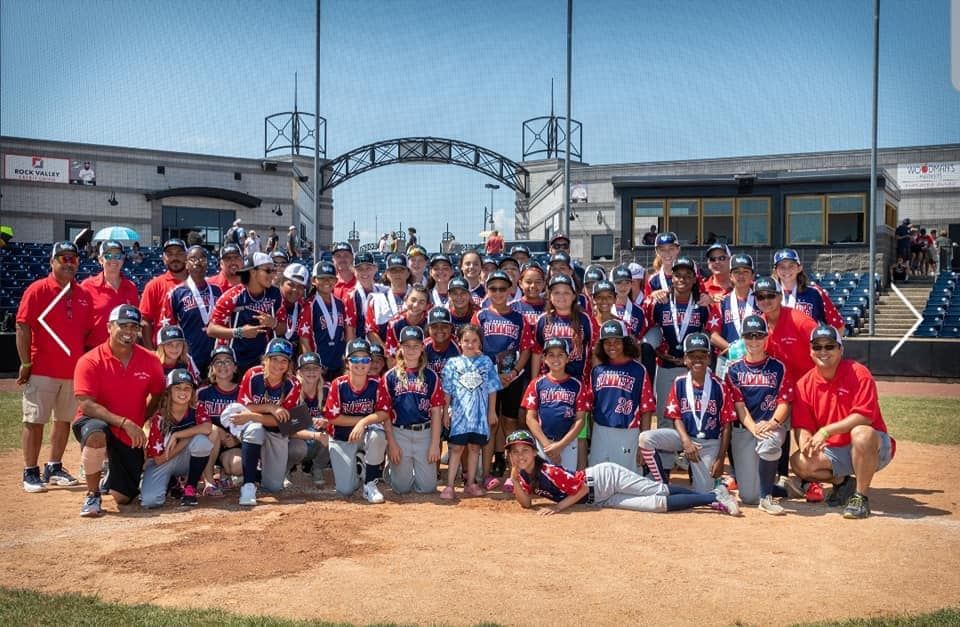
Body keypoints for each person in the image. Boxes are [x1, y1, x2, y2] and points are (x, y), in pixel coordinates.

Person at [789, 325, 895, 519]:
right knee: (799, 462)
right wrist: (805, 443)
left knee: (861, 433)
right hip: (837, 451)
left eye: (829, 346)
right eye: (817, 347)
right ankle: (843, 482)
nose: (823, 351)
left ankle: (860, 498)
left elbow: (864, 416)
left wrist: (826, 431)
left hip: (874, 447)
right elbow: (802, 425)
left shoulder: (858, 372)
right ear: (810, 350)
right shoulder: (804, 384)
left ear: (840, 349)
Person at [506, 430, 739, 516]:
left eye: (524, 451)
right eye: (514, 453)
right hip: (599, 499)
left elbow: (581, 488)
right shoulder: (524, 475)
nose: (520, 456)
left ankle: (714, 495)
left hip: (603, 479)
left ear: (534, 453)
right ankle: (713, 497)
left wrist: (557, 508)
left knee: (657, 489)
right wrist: (515, 477)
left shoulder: (547, 470)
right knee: (655, 505)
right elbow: (526, 503)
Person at [72, 305, 166, 517]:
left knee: (123, 497)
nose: (129, 332)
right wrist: (125, 422)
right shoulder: (90, 360)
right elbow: (86, 405)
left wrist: (141, 419)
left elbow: (158, 394)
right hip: (94, 421)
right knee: (96, 435)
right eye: (123, 326)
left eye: (134, 327)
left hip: (128, 433)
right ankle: (92, 495)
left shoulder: (150, 360)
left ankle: (109, 474)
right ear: (109, 327)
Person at [17, 241, 92, 493]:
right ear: (52, 262)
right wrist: (26, 362)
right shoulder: (38, 289)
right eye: (63, 259)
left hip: (71, 372)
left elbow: (86, 334)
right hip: (42, 369)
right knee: (35, 420)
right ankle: (30, 471)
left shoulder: (82, 295)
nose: (69, 263)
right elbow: (22, 326)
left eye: (73, 259)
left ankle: (54, 466)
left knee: (63, 421)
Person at [638, 332, 736, 493]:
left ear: (709, 359)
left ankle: (716, 483)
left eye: (702, 356)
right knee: (646, 438)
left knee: (703, 493)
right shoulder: (679, 382)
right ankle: (660, 479)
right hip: (684, 438)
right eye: (692, 356)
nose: (697, 360)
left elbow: (727, 425)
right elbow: (676, 416)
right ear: (685, 359)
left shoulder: (720, 385)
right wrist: (686, 442)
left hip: (708, 443)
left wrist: (720, 459)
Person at [220, 338, 304, 506]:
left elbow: (283, 422)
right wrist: (271, 408)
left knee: (273, 486)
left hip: (275, 430)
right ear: (265, 359)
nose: (278, 365)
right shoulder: (253, 374)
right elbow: (244, 407)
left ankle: (257, 470)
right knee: (255, 429)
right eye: (274, 359)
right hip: (251, 426)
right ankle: (248, 485)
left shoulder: (293, 384)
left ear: (289, 364)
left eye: (283, 361)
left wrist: (253, 415)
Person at [644, 256, 711, 465]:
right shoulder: (659, 303)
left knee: (694, 413)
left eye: (687, 276)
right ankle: (665, 462)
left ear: (694, 280)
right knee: (665, 415)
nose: (681, 279)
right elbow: (647, 330)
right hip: (667, 366)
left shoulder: (702, 306)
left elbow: (709, 332)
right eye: (677, 275)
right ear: (671, 278)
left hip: (693, 370)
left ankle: (691, 459)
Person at [723, 315, 793, 513]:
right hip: (745, 429)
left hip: (770, 425)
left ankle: (767, 497)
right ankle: (771, 489)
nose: (754, 341)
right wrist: (753, 427)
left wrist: (772, 423)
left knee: (770, 443)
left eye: (758, 336)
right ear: (743, 338)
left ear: (766, 337)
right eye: (749, 335)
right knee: (748, 496)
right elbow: (739, 405)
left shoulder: (778, 367)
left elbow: (784, 402)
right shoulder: (733, 369)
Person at [472, 270, 530, 489]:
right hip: (487, 379)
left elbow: (525, 349)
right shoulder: (480, 316)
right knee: (490, 424)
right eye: (493, 288)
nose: (498, 293)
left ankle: (514, 474)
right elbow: (473, 346)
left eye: (502, 288)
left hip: (511, 379)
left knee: (510, 423)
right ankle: (486, 474)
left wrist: (513, 372)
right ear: (487, 290)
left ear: (510, 291)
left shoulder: (519, 318)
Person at [322, 338, 390, 501]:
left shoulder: (377, 383)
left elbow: (384, 413)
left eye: (365, 359)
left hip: (365, 434)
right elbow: (332, 418)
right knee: (346, 490)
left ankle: (370, 484)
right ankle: (359, 462)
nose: (361, 364)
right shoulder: (338, 384)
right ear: (347, 362)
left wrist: (363, 423)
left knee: (378, 436)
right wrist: (361, 420)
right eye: (355, 359)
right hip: (341, 437)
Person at [440, 324, 501, 499]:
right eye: (466, 340)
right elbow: (447, 391)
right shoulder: (453, 363)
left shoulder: (486, 362)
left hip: (480, 415)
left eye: (475, 341)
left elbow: (492, 388)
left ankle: (470, 483)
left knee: (475, 448)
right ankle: (450, 485)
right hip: (460, 415)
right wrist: (445, 413)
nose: (470, 344)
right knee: (457, 448)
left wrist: (491, 412)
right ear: (459, 342)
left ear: (480, 342)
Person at [382, 326, 444, 495]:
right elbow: (385, 414)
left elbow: (437, 412)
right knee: (401, 489)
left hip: (424, 433)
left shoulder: (431, 376)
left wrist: (434, 445)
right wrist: (392, 444)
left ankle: (411, 469)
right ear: (400, 347)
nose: (411, 349)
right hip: (399, 433)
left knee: (428, 488)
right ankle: (392, 467)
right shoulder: (390, 376)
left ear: (422, 347)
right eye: (407, 345)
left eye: (416, 345)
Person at [589, 320, 656, 473]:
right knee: (598, 478)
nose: (612, 346)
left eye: (617, 341)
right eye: (607, 342)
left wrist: (643, 443)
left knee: (627, 479)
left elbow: (647, 409)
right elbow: (592, 406)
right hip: (600, 430)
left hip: (628, 432)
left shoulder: (639, 370)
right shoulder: (597, 370)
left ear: (626, 343)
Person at [141, 369, 214, 508]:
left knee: (202, 442)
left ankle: (190, 487)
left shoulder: (197, 407)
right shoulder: (159, 416)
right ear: (169, 391)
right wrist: (188, 438)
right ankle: (171, 481)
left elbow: (207, 428)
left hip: (184, 459)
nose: (183, 392)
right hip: (162, 462)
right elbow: (159, 459)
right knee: (150, 501)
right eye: (177, 388)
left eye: (187, 388)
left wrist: (178, 435)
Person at [207, 252, 287, 374]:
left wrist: (274, 323)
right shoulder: (233, 296)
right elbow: (211, 330)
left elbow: (283, 329)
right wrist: (240, 332)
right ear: (253, 272)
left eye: (274, 270)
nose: (273, 275)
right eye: (268, 271)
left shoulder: (275, 294)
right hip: (236, 362)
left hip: (264, 361)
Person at [521, 338, 589, 471]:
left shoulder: (577, 385)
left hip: (568, 443)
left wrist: (560, 446)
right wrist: (548, 446)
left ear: (568, 358)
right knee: (543, 484)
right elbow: (530, 418)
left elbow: (580, 420)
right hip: (543, 443)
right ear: (544, 359)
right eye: (551, 355)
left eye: (560, 354)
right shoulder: (536, 383)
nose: (555, 358)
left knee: (567, 483)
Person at [158, 245, 221, 375]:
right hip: (188, 358)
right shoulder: (175, 293)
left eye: (202, 258)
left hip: (215, 355)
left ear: (208, 263)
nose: (197, 262)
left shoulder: (217, 291)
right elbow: (167, 329)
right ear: (186, 264)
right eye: (193, 259)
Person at [524, 274, 594, 383]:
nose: (561, 297)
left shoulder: (585, 319)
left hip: (577, 380)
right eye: (556, 293)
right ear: (549, 296)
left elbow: (592, 352)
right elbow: (537, 352)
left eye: (566, 292)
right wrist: (534, 382)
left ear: (574, 296)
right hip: (549, 382)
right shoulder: (543, 319)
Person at [197, 345, 240, 496]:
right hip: (207, 443)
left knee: (238, 466)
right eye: (218, 362)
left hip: (232, 444)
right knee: (213, 431)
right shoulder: (202, 393)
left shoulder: (243, 391)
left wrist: (237, 439)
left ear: (235, 367)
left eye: (227, 361)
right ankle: (209, 481)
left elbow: (250, 422)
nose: (223, 365)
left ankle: (224, 475)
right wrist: (220, 432)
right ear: (212, 368)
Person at [706, 253, 756, 380]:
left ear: (752, 275)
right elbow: (713, 336)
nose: (741, 276)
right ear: (730, 276)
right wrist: (733, 349)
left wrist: (750, 349)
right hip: (727, 359)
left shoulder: (761, 301)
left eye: (745, 271)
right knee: (725, 398)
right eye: (737, 272)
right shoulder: (722, 302)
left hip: (756, 359)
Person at [81, 240, 139, 348]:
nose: (113, 260)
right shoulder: (87, 286)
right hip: (95, 351)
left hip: (124, 352)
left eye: (118, 256)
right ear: (100, 259)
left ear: (122, 259)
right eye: (108, 256)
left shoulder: (131, 287)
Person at [301, 260, 352, 380]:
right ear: (314, 281)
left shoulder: (340, 304)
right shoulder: (309, 305)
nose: (327, 282)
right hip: (319, 366)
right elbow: (304, 339)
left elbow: (347, 334)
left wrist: (346, 363)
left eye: (330, 278)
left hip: (339, 364)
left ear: (336, 280)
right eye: (322, 278)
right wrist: (312, 365)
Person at [771, 249, 844, 330]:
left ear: (799, 268)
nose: (786, 270)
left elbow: (838, 325)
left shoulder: (815, 293)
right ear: (775, 271)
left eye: (791, 266)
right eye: (782, 267)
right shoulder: (767, 296)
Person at [139, 238, 188, 350]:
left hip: (193, 351)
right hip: (163, 352)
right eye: (169, 254)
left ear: (186, 256)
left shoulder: (196, 283)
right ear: (164, 259)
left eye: (179, 253)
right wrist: (150, 352)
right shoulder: (154, 285)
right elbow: (145, 321)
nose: (174, 258)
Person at [366, 253, 410, 345]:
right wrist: (387, 354)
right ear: (387, 274)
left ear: (408, 273)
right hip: (386, 355)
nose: (397, 274)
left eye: (401, 270)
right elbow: (371, 332)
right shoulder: (377, 300)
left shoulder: (418, 297)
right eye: (393, 270)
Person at [383, 284, 430, 361]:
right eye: (413, 300)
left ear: (427, 306)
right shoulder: (394, 324)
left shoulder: (430, 323)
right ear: (406, 299)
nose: (415, 305)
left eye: (421, 302)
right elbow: (391, 357)